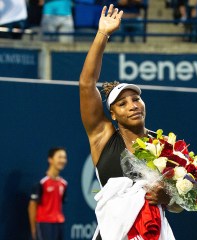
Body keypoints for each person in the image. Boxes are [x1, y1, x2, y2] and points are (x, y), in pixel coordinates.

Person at [79, 4, 183, 239]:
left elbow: (180, 202)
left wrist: (170, 199)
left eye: (136, 99)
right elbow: (86, 84)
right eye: (122, 103)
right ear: (112, 114)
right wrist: (102, 34)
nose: (133, 105)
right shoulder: (102, 137)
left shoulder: (165, 146)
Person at [28, 147, 68, 240]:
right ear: (50, 159)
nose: (63, 160)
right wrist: (33, 229)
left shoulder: (64, 184)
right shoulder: (41, 182)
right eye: (59, 157)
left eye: (64, 157)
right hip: (44, 224)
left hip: (59, 223)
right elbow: (32, 206)